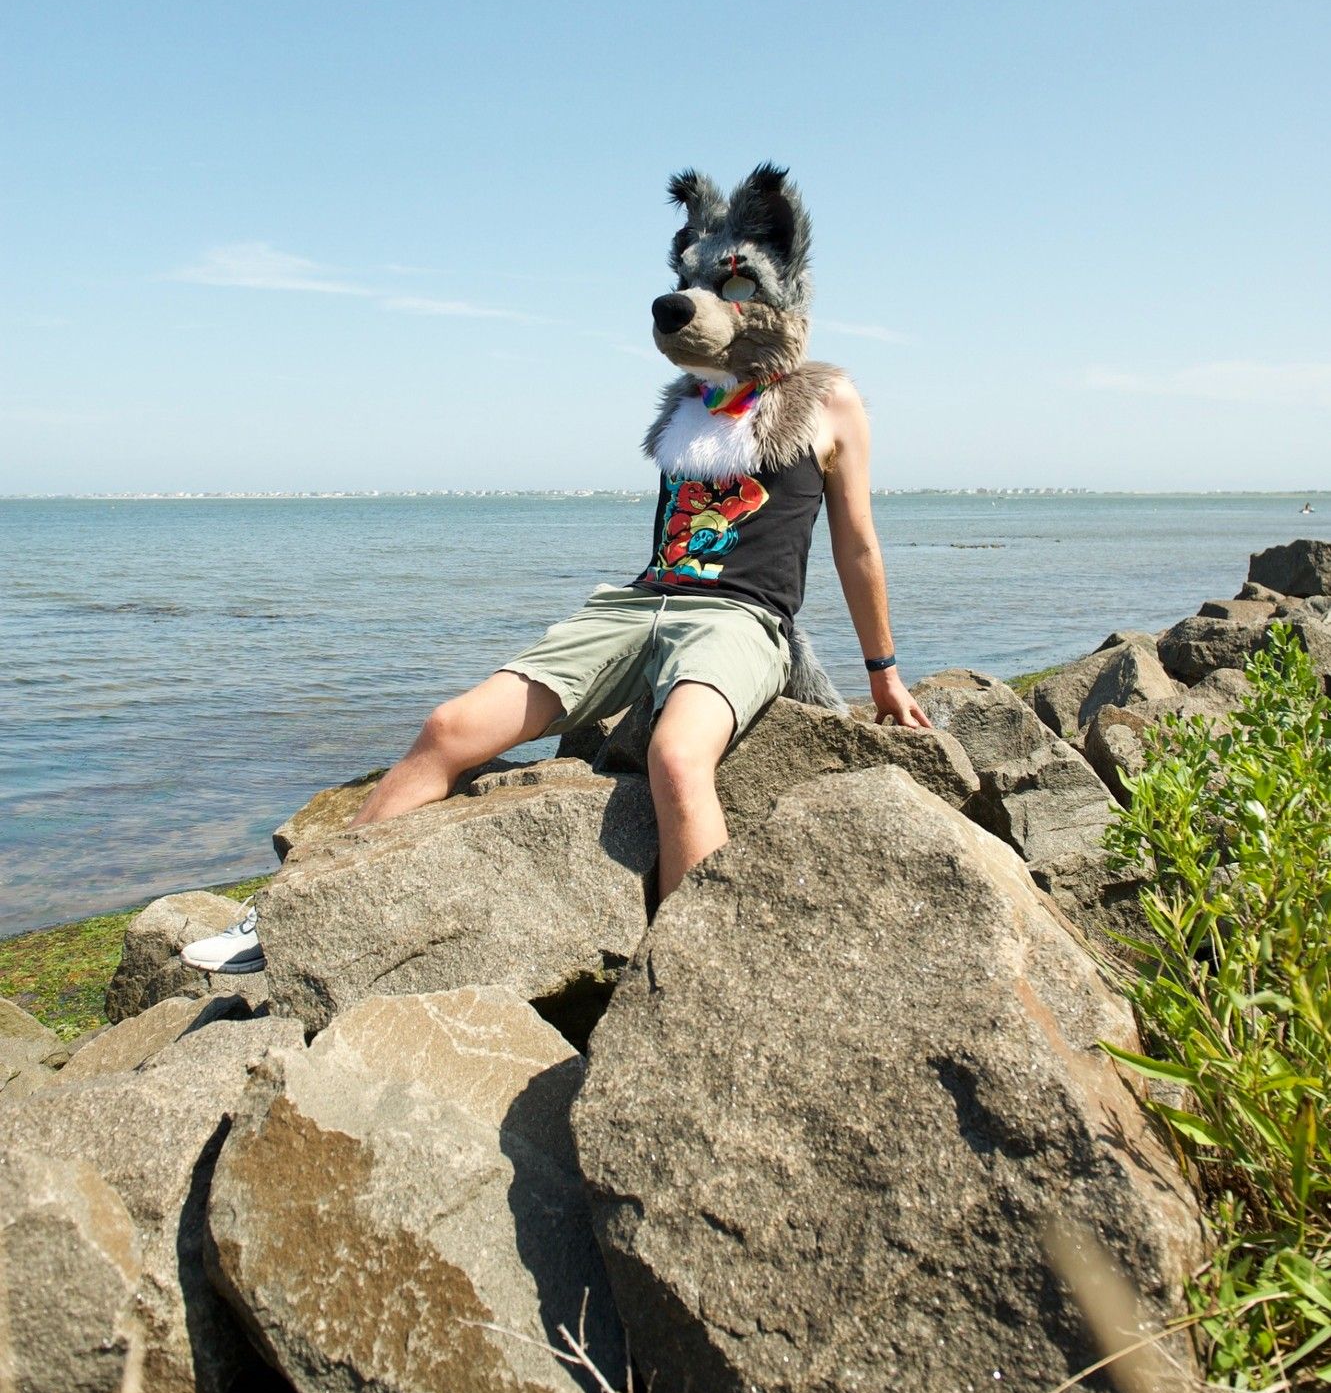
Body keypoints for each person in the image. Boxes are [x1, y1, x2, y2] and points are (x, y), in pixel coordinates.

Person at [182, 165, 929, 978]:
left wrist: (882, 675)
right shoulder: (687, 405)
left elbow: (856, 545)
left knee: (679, 759)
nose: (696, 301)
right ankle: (285, 921)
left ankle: (697, 979)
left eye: (728, 283)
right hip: (634, 605)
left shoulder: (829, 398)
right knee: (447, 729)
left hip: (738, 618)